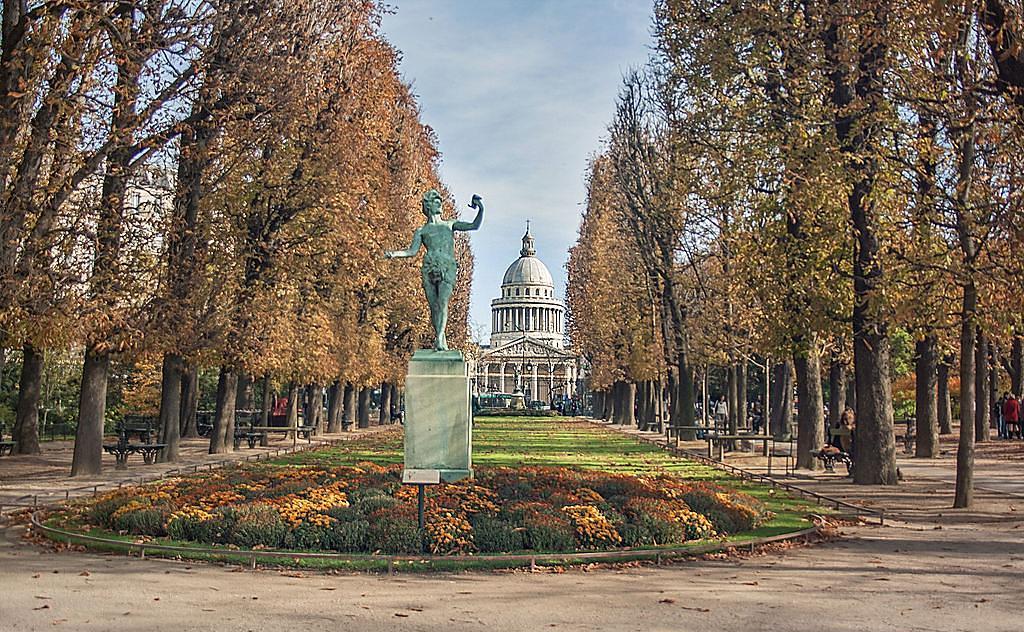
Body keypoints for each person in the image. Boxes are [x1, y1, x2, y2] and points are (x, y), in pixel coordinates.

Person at [385, 189, 483, 351]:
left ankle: (438, 338)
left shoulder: (450, 224)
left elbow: (474, 225)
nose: (440, 205)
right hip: (429, 267)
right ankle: (441, 338)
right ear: (428, 206)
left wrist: (480, 208)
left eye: (440, 202)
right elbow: (412, 251)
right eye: (436, 202)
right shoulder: (422, 231)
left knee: (443, 302)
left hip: (446, 267)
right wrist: (394, 254)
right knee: (434, 307)